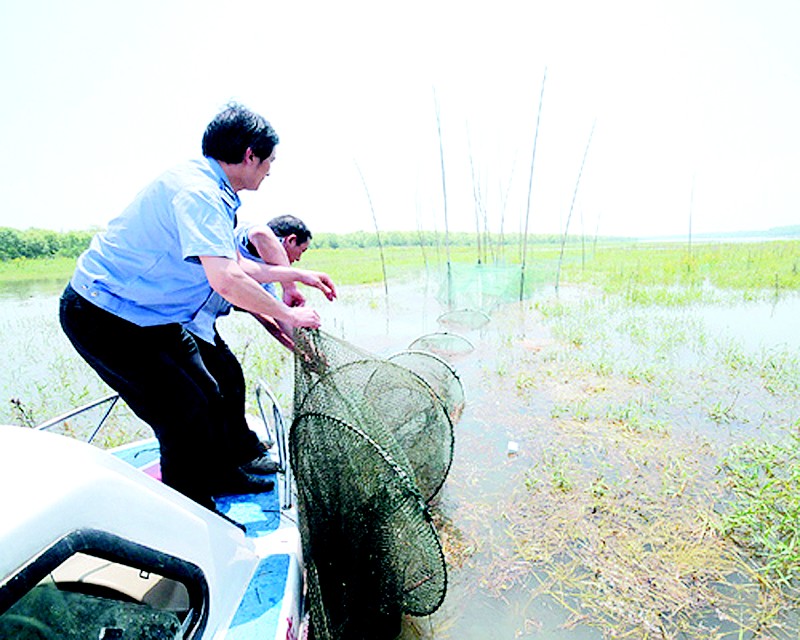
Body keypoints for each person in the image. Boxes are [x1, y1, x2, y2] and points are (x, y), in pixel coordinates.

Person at [59, 102, 328, 511]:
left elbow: (229, 262)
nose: (271, 168)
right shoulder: (199, 192)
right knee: (181, 412)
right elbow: (226, 280)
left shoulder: (214, 189)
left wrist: (296, 277)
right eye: (269, 159)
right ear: (249, 155)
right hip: (104, 315)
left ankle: (221, 473)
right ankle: (191, 511)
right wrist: (289, 316)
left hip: (151, 316)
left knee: (210, 390)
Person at [183, 215, 334, 476]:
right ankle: (239, 456)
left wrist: (305, 353)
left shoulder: (264, 279)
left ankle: (243, 446)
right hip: (183, 321)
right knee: (223, 386)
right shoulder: (247, 240)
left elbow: (272, 321)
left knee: (230, 381)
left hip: (202, 325)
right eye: (301, 251)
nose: (299, 259)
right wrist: (292, 282)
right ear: (289, 240)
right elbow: (262, 235)